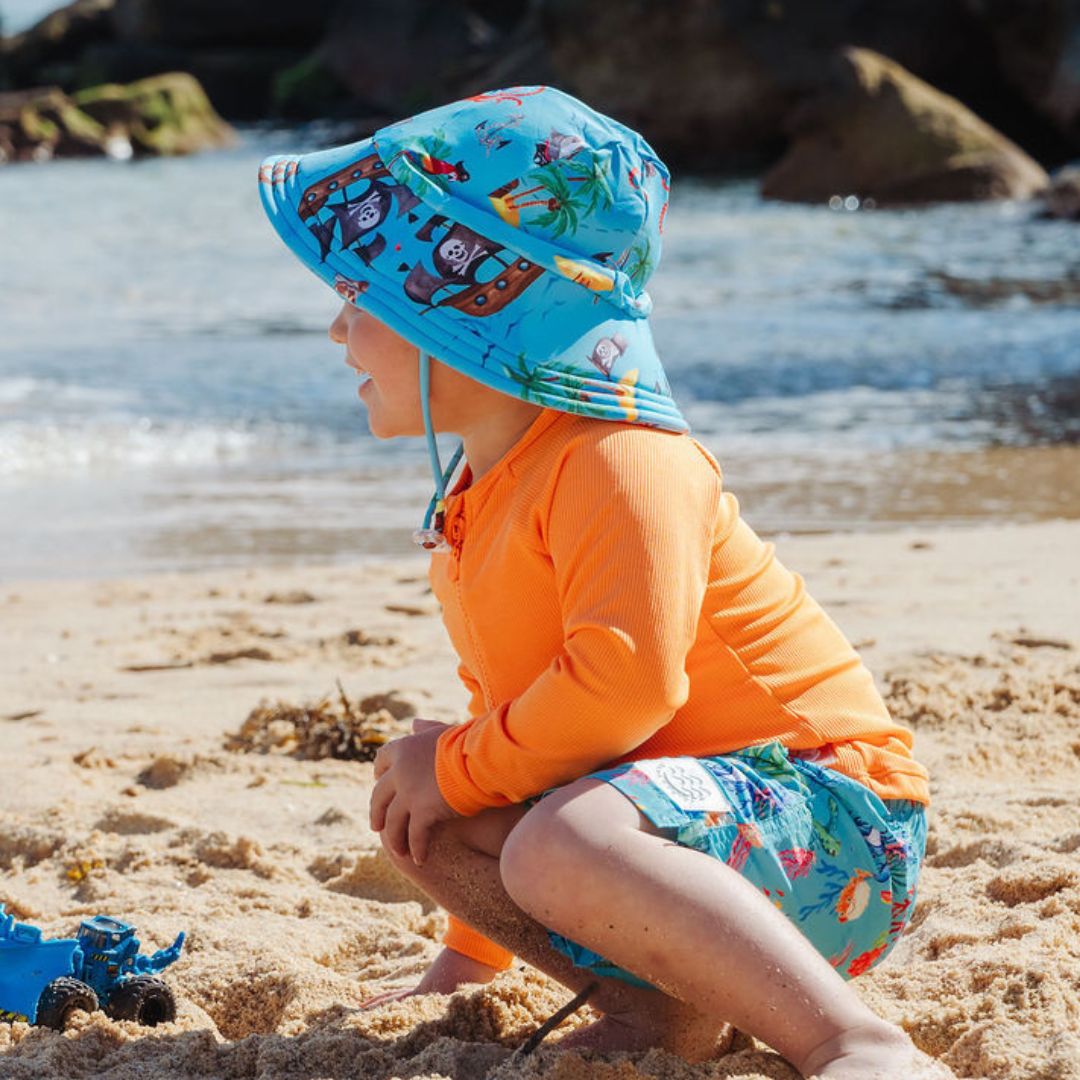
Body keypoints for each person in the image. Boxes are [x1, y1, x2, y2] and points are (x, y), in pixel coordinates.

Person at [258, 85, 953, 1079]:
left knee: (518, 813)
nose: (335, 329)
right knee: (422, 801)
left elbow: (626, 689)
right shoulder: (478, 488)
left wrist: (459, 767)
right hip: (678, 833)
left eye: (360, 295)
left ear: (460, 309)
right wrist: (465, 957)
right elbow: (514, 706)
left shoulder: (620, 461)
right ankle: (660, 1013)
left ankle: (850, 1039)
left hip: (834, 824)